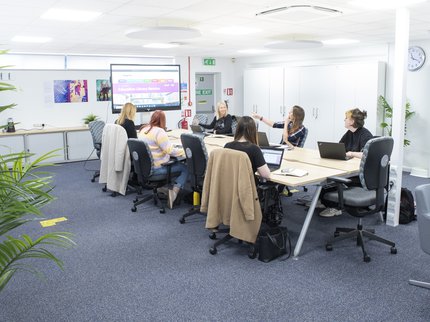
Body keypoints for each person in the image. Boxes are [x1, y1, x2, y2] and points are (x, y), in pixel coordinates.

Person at [319, 108, 373, 217]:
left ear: (352, 121)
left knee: (330, 184)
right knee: (326, 183)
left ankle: (336, 207)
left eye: (346, 118)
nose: (344, 120)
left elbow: (366, 154)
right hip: (348, 166)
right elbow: (340, 146)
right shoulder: (349, 133)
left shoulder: (365, 134)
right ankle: (323, 202)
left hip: (359, 174)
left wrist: (351, 153)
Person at [139, 110, 188, 209]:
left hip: (145, 168)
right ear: (162, 121)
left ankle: (162, 189)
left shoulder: (143, 129)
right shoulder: (159, 132)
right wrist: (184, 151)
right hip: (157, 169)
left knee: (176, 162)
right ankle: (173, 193)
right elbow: (169, 150)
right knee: (185, 168)